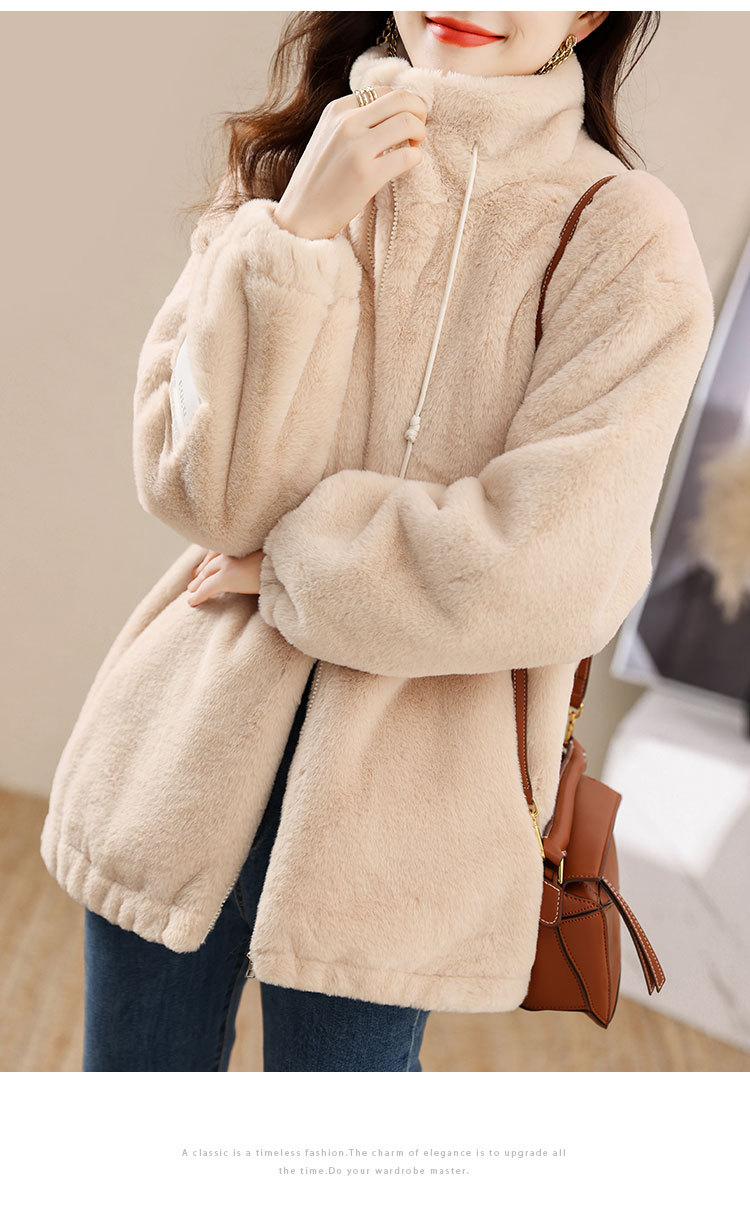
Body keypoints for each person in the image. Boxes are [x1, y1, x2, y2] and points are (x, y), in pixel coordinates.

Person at [41, 11, 715, 1072]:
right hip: (172, 767)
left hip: (406, 841)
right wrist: (299, 234)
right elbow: (199, 489)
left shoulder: (625, 237)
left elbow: (554, 563)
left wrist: (294, 566)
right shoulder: (287, 168)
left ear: (591, 12)